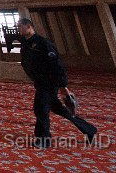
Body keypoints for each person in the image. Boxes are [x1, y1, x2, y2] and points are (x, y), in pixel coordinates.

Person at [18, 17, 97, 148]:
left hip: (49, 82)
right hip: (40, 82)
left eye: (20, 26)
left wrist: (63, 86)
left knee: (40, 109)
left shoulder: (43, 43)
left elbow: (56, 65)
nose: (19, 29)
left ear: (28, 26)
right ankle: (89, 130)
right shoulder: (26, 43)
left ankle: (44, 140)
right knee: (60, 110)